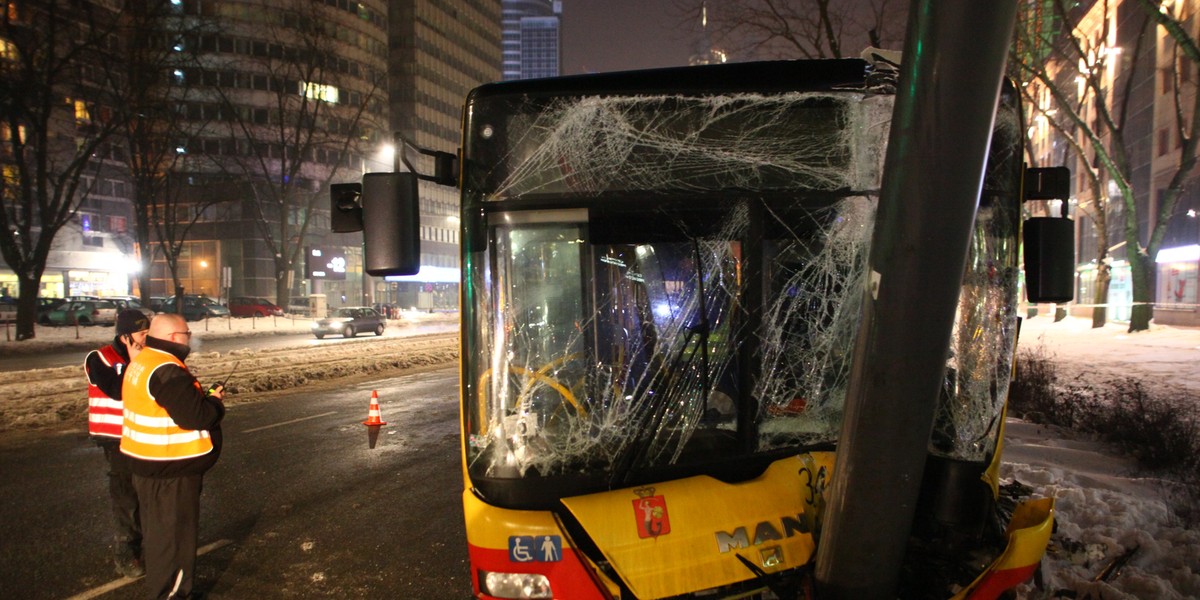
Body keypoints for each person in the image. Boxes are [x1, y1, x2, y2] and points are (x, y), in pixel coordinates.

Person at [120, 313, 225, 600]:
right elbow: (196, 416)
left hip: (148, 464)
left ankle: (163, 588)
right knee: (176, 540)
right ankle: (173, 594)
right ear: (172, 338)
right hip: (170, 470)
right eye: (186, 333)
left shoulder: (143, 360)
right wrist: (215, 403)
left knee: (159, 537)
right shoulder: (167, 369)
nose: (190, 338)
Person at [85, 309, 151, 578]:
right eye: (142, 334)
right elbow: (116, 390)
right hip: (115, 440)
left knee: (148, 494)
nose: (147, 339)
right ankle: (127, 553)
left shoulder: (146, 356)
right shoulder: (99, 358)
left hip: (143, 435)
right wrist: (136, 364)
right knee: (127, 497)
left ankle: (151, 546)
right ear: (125, 336)